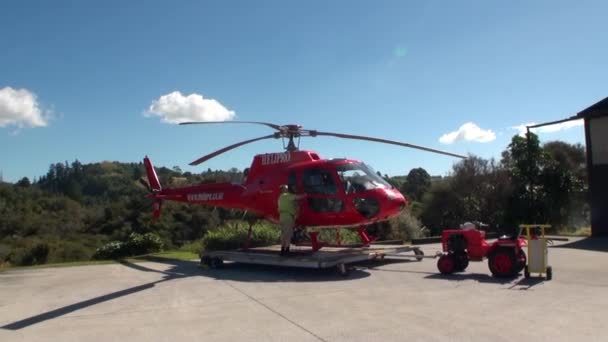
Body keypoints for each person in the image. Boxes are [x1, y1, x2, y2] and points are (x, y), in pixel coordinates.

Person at [277, 184, 302, 256]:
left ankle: (282, 250)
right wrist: (305, 194)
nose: (288, 189)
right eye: (286, 188)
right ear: (284, 190)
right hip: (288, 217)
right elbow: (297, 197)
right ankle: (287, 250)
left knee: (283, 234)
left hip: (282, 217)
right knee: (288, 235)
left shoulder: (280, 197)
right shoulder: (287, 195)